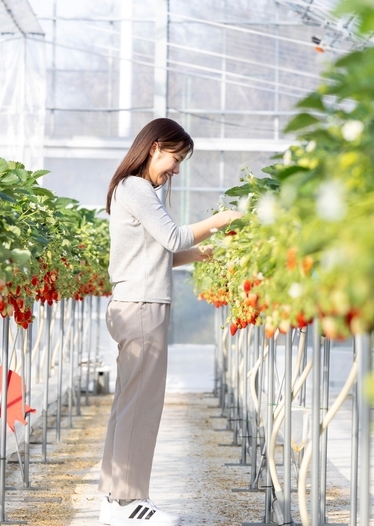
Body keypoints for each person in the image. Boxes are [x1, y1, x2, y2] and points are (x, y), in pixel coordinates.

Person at [98, 118, 242, 526]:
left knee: (129, 402)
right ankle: (129, 501)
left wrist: (199, 254)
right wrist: (220, 219)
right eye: (175, 159)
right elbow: (175, 237)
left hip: (133, 303)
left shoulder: (132, 190)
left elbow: (159, 251)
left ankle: (112, 498)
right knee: (142, 405)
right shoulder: (137, 188)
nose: (175, 169)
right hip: (142, 307)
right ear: (155, 147)